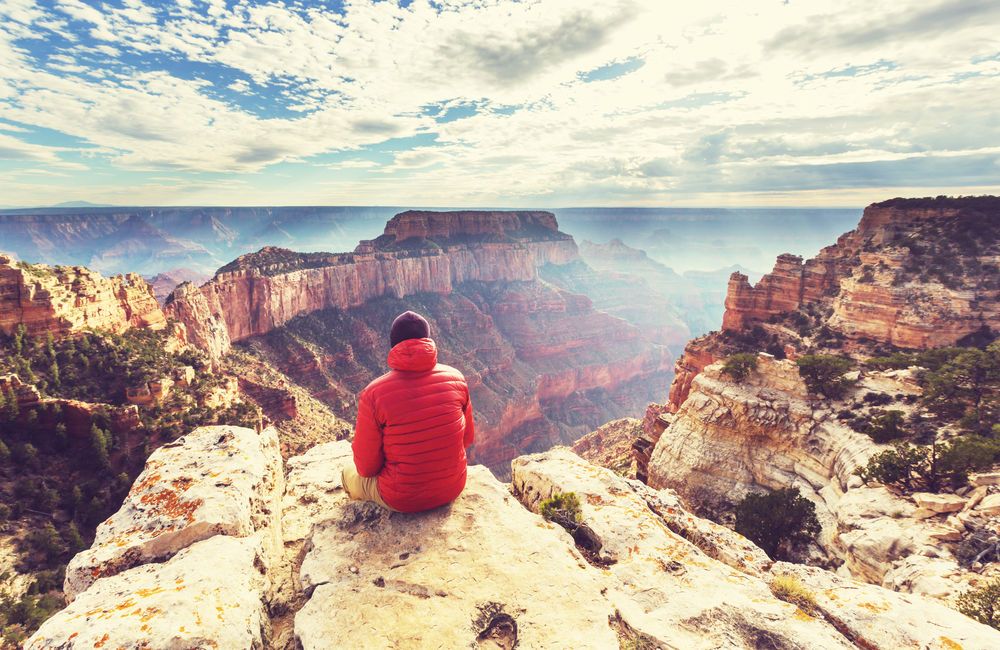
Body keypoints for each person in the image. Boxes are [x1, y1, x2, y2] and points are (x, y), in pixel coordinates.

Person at [342, 310, 475, 512]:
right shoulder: (456, 378)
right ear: (428, 340)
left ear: (393, 345)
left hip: (401, 499)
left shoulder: (373, 394)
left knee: (347, 473)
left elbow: (366, 468)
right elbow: (467, 439)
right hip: (452, 487)